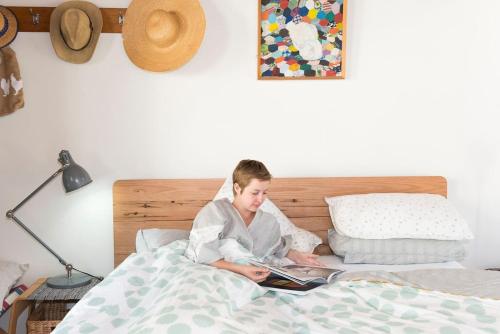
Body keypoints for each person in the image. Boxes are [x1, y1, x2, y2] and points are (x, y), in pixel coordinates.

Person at [185, 159, 322, 283]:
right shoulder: (215, 212)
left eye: (265, 192)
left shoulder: (268, 222)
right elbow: (204, 254)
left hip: (256, 277)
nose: (261, 199)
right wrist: (241, 269)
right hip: (218, 277)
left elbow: (276, 247)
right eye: (255, 193)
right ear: (237, 188)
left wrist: (297, 256)